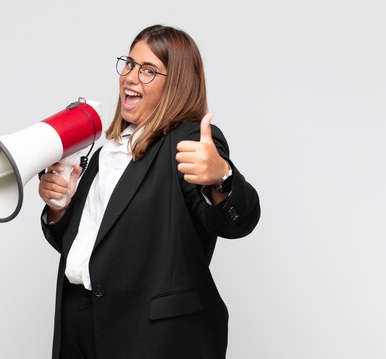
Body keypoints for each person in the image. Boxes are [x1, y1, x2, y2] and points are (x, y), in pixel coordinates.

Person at [38, 24, 260, 359]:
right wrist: (61, 209)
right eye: (129, 64)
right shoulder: (104, 153)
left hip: (150, 335)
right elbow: (93, 246)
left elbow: (238, 221)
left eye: (148, 71)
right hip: (79, 320)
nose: (130, 77)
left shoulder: (188, 142)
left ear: (176, 86)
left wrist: (222, 178)